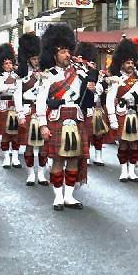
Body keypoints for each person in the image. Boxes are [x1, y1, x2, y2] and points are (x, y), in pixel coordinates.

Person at [36, 23, 94, 211]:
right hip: (57, 119)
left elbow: (94, 95)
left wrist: (93, 88)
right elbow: (40, 101)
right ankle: (58, 196)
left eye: (68, 51)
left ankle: (69, 196)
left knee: (74, 159)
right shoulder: (48, 76)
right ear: (54, 54)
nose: (67, 55)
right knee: (58, 159)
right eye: (62, 52)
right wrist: (43, 125)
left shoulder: (80, 73)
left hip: (76, 119)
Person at [106, 38, 138, 183]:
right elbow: (109, 100)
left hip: (135, 113)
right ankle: (123, 171)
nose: (131, 65)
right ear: (122, 64)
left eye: (132, 63)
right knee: (123, 143)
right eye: (128, 63)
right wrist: (112, 119)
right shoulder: (116, 80)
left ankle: (132, 171)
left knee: (134, 144)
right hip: (122, 114)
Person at [15, 33, 49, 186]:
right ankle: (30, 174)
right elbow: (17, 96)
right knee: (29, 145)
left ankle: (41, 173)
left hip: (42, 111)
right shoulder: (21, 76)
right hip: (28, 110)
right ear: (28, 58)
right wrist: (20, 114)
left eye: (38, 58)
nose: (37, 61)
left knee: (43, 145)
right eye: (34, 59)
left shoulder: (46, 74)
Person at [74, 42, 110, 167]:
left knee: (99, 133)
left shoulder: (95, 73)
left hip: (96, 106)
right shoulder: (78, 72)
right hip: (84, 106)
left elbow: (99, 89)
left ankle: (99, 155)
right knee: (86, 133)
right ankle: (86, 154)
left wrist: (96, 76)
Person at [0, 44, 21, 169]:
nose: (9, 66)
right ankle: (7, 157)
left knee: (16, 134)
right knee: (5, 133)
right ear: (2, 65)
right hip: (2, 105)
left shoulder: (17, 76)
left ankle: (16, 157)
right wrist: (11, 85)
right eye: (6, 63)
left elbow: (18, 90)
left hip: (14, 105)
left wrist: (10, 85)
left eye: (10, 63)